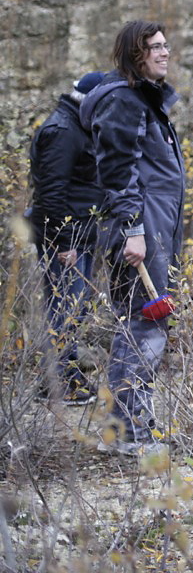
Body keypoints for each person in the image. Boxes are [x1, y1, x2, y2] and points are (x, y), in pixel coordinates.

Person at [80, 20, 184, 456]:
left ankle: (129, 427)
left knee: (142, 324)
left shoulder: (142, 99)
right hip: (140, 232)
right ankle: (129, 435)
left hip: (156, 226)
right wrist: (134, 231)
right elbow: (117, 173)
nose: (164, 53)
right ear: (135, 55)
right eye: (155, 48)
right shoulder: (123, 102)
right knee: (143, 324)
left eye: (165, 46)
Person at [28, 71, 106, 405]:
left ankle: (66, 377)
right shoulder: (62, 131)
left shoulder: (77, 125)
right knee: (64, 310)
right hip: (66, 239)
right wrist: (62, 243)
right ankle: (58, 384)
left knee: (73, 310)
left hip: (78, 235)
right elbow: (52, 193)